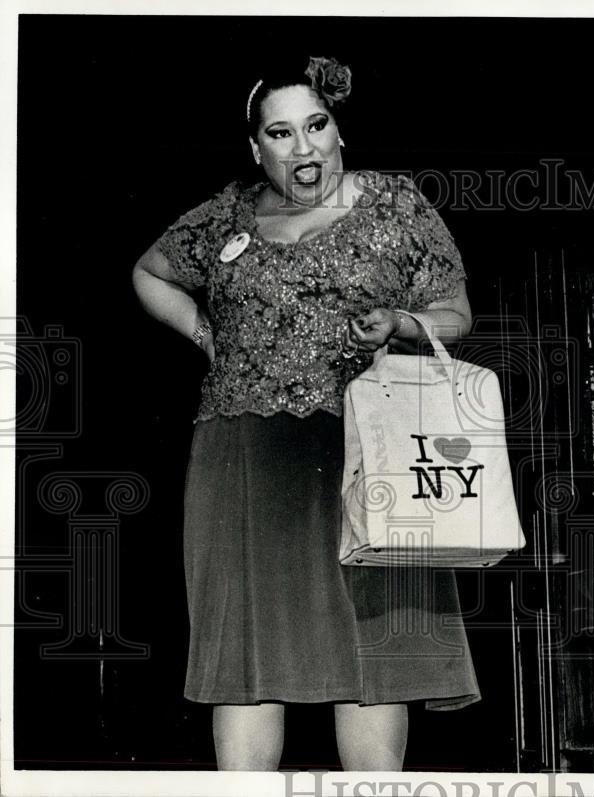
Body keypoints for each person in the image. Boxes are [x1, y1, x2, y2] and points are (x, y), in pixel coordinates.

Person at [132, 55, 480, 772]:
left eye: (316, 125)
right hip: (243, 456)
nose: (303, 147)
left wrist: (401, 324)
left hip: (368, 451)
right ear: (255, 147)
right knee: (246, 653)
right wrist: (204, 334)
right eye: (281, 133)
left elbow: (456, 313)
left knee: (371, 650)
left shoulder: (395, 205)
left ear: (338, 131)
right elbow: (150, 271)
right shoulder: (225, 215)